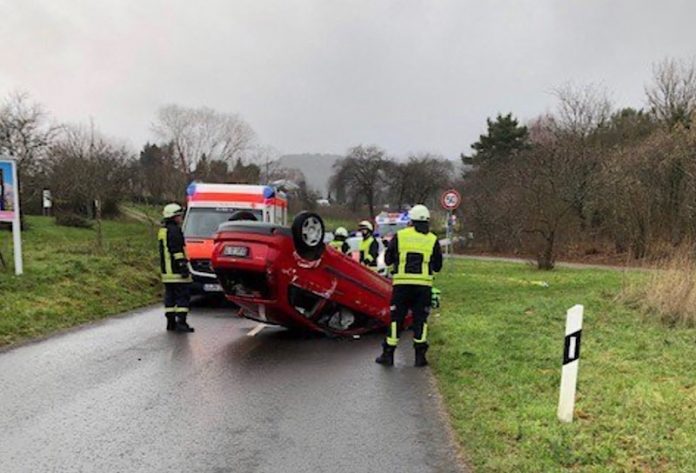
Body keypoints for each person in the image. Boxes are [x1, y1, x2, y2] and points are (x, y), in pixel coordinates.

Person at [375, 204, 442, 367]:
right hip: (423, 288)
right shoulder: (432, 239)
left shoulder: (400, 236)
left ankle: (388, 354)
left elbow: (388, 259)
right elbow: (438, 266)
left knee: (396, 320)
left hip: (402, 287)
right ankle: (420, 357)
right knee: (420, 321)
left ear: (410, 220)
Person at [158, 203, 195, 333]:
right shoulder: (174, 231)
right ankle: (181, 323)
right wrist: (183, 266)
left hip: (166, 272)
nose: (181, 218)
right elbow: (176, 250)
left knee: (170, 297)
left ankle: (171, 322)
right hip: (177, 272)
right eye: (179, 216)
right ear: (174, 217)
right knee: (182, 297)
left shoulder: (163, 230)